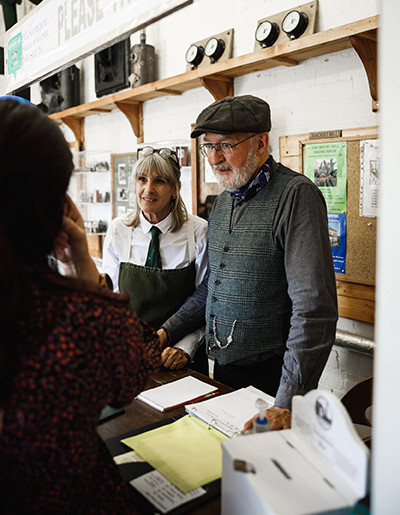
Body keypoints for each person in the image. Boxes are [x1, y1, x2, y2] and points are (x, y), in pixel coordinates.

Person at [0, 97, 161, 515]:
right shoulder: (82, 318)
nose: (149, 192)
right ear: (55, 205)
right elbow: (131, 376)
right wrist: (84, 274)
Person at [160, 95, 338, 429]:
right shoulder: (223, 203)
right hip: (225, 372)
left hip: (274, 380)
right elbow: (212, 287)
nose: (215, 158)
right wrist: (166, 332)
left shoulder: (296, 196)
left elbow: (314, 309)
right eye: (208, 146)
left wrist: (287, 402)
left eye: (226, 144)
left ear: (261, 142)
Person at [102, 147, 208, 372]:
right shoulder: (118, 230)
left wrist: (184, 348)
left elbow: (206, 302)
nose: (147, 189)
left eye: (159, 181)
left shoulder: (198, 232)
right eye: (142, 179)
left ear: (175, 189)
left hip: (180, 360)